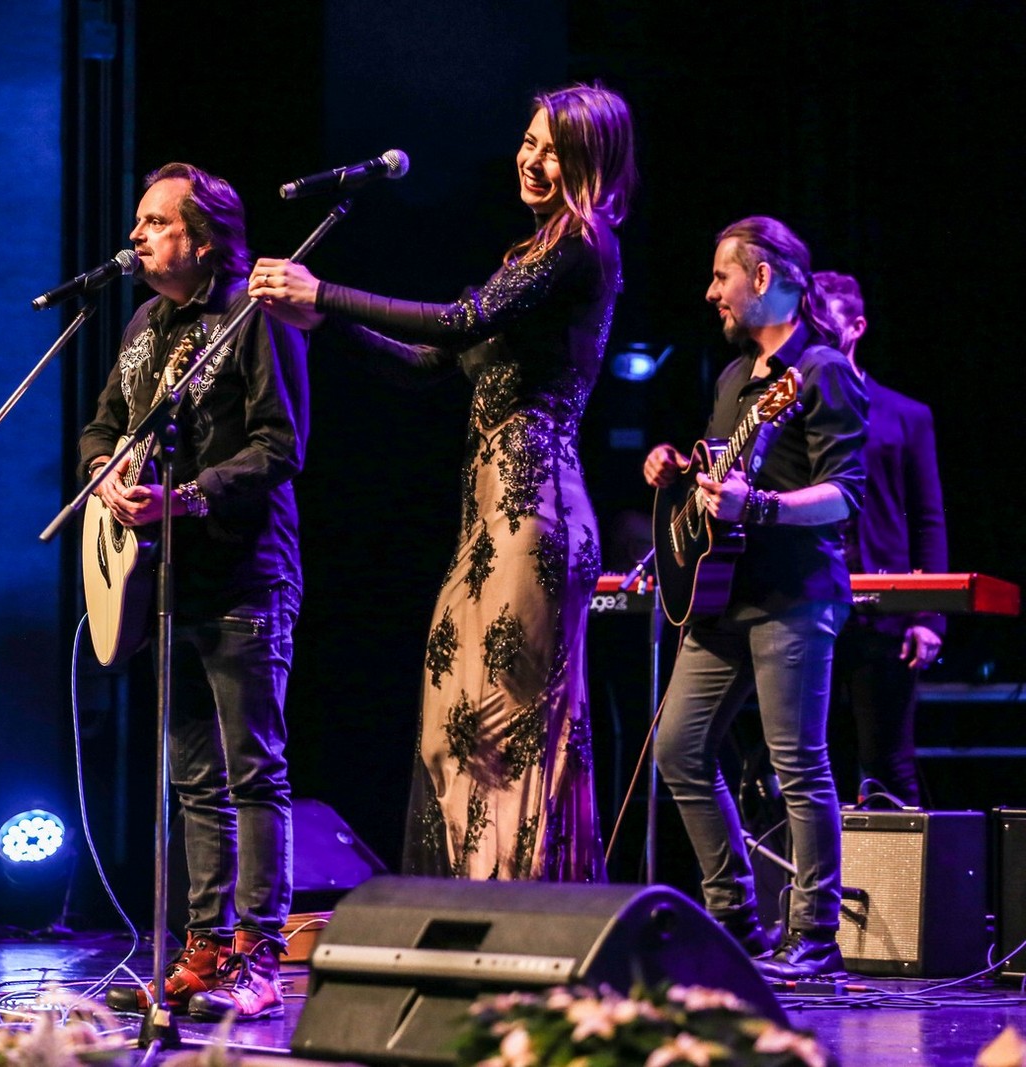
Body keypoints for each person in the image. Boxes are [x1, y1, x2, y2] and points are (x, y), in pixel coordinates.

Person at [252, 83, 637, 881]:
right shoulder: (524, 259)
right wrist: (327, 325)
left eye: (554, 149)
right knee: (448, 729)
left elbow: (457, 323)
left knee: (510, 727)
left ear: (592, 161)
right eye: (528, 142)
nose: (532, 160)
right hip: (487, 516)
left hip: (537, 509)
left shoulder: (585, 244)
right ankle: (477, 900)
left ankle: (528, 914)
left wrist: (324, 291)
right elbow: (431, 364)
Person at [82, 163, 309, 1021]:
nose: (135, 235)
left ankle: (257, 953)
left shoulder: (257, 314)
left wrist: (190, 493)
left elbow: (282, 444)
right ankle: (203, 944)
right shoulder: (145, 322)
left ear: (202, 238)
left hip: (246, 570)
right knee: (194, 776)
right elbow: (103, 421)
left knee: (254, 771)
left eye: (153, 223)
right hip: (165, 580)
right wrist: (104, 470)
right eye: (138, 223)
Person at [642, 217, 868, 981]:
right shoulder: (735, 379)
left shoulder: (824, 371)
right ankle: (735, 915)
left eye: (720, 277)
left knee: (799, 764)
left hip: (794, 597)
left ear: (763, 277)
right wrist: (678, 471)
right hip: (723, 599)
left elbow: (845, 497)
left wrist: (762, 508)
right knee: (677, 747)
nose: (712, 294)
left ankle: (813, 934)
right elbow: (721, 473)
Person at [817, 271, 947, 808]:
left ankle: (904, 890)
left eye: (827, 323)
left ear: (857, 327)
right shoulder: (792, 410)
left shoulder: (905, 415)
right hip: (813, 607)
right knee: (812, 760)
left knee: (887, 761)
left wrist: (927, 615)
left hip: (883, 613)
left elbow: (927, 518)